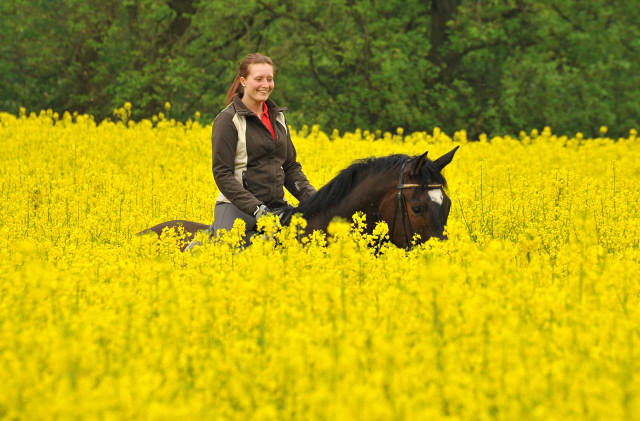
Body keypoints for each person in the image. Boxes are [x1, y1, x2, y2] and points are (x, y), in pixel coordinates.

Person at [208, 53, 316, 244]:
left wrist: (314, 198)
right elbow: (222, 173)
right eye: (258, 79)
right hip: (236, 207)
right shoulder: (228, 120)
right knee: (228, 249)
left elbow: (290, 167)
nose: (265, 85)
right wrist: (257, 208)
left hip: (275, 206)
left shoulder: (278, 118)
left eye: (270, 79)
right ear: (243, 81)